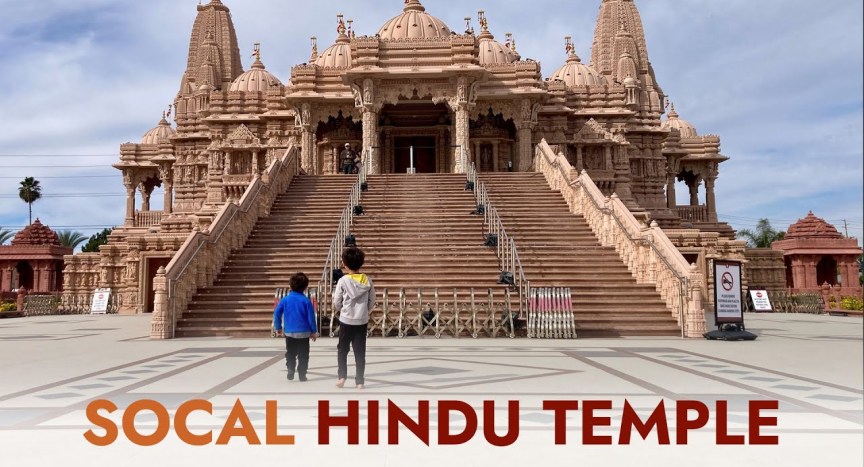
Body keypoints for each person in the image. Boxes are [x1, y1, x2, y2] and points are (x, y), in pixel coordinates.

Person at [332, 247, 375, 389]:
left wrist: (342, 310)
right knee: (360, 350)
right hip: (361, 320)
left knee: (342, 349)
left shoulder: (343, 281)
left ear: (344, 263)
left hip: (346, 320)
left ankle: (342, 377)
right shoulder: (367, 280)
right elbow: (372, 301)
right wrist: (364, 311)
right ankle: (360, 381)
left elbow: (337, 301)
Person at [273, 272, 318, 382]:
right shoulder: (306, 301)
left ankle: (290, 368)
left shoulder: (285, 300)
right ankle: (302, 374)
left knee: (290, 353)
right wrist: (313, 331)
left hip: (289, 332)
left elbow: (277, 313)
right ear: (305, 287)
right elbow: (311, 317)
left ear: (290, 286)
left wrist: (278, 327)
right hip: (304, 333)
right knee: (303, 355)